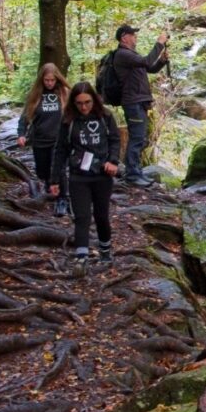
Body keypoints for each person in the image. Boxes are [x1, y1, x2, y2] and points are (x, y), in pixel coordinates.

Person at [50, 82, 121, 266]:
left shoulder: (105, 117)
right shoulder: (68, 121)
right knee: (81, 217)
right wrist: (55, 179)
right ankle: (81, 258)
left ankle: (105, 251)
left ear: (94, 100)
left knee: (101, 215)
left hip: (102, 176)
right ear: (73, 103)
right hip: (78, 176)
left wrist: (113, 161)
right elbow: (60, 150)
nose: (83, 107)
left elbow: (114, 140)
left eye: (87, 102)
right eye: (79, 103)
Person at [112, 23, 168, 187]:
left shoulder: (130, 55)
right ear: (124, 37)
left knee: (140, 137)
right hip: (133, 102)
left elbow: (149, 68)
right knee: (137, 138)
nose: (136, 37)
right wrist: (160, 43)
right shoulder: (123, 55)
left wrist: (162, 61)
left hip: (139, 102)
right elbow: (146, 61)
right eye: (133, 34)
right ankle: (132, 175)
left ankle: (136, 171)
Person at [17, 62, 71, 215]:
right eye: (47, 80)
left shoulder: (63, 93)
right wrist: (21, 134)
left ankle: (62, 200)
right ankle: (49, 182)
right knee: (42, 171)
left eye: (52, 80)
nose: (49, 83)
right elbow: (25, 117)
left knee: (59, 170)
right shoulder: (35, 95)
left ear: (57, 79)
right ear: (42, 79)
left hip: (58, 140)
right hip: (39, 139)